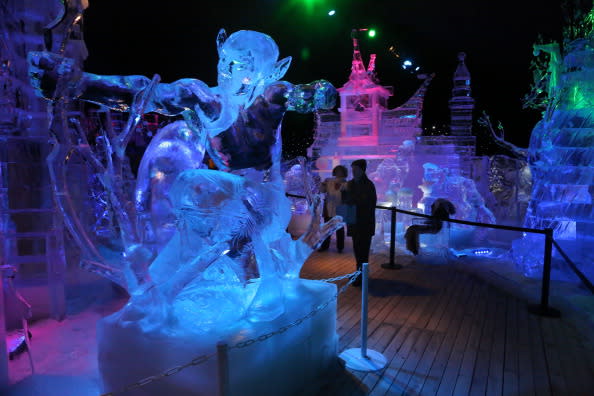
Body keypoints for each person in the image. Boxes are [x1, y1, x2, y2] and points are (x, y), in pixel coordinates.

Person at [342, 159, 377, 286]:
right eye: (352, 169)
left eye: (356, 169)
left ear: (362, 170)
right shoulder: (351, 183)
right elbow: (344, 198)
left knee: (363, 249)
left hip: (364, 222)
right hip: (354, 222)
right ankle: (359, 272)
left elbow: (369, 204)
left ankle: (362, 275)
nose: (353, 171)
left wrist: (352, 200)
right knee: (357, 249)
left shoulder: (368, 185)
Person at [318, 165, 348, 252]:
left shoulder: (346, 183)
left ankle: (340, 247)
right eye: (337, 171)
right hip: (328, 207)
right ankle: (324, 246)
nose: (339, 173)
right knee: (327, 228)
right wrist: (322, 184)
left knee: (340, 229)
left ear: (344, 173)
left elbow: (346, 195)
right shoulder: (329, 181)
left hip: (340, 209)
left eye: (340, 171)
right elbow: (322, 191)